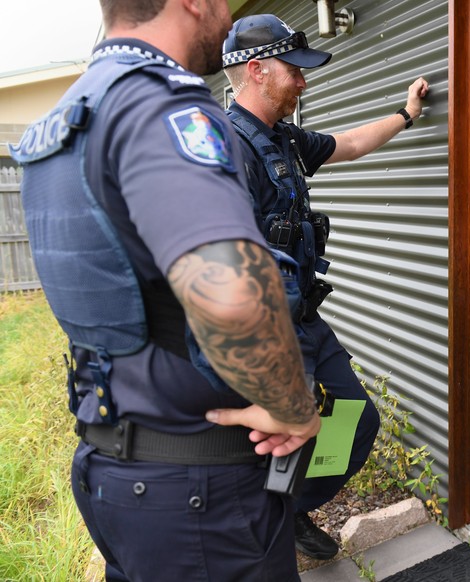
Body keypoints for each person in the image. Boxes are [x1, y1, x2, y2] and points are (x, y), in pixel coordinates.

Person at [11, 1, 320, 580]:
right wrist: (292, 406)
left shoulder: (65, 118)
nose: (226, 15)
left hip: (113, 470)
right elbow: (229, 293)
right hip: (200, 494)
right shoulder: (161, 103)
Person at [221, 14, 430, 560]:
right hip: (269, 329)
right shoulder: (228, 149)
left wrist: (406, 115)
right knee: (279, 440)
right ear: (258, 70)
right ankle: (261, 533)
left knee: (354, 418)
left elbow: (353, 144)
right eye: (295, 71)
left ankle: (288, 510)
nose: (303, 83)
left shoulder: (283, 139)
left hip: (307, 321)